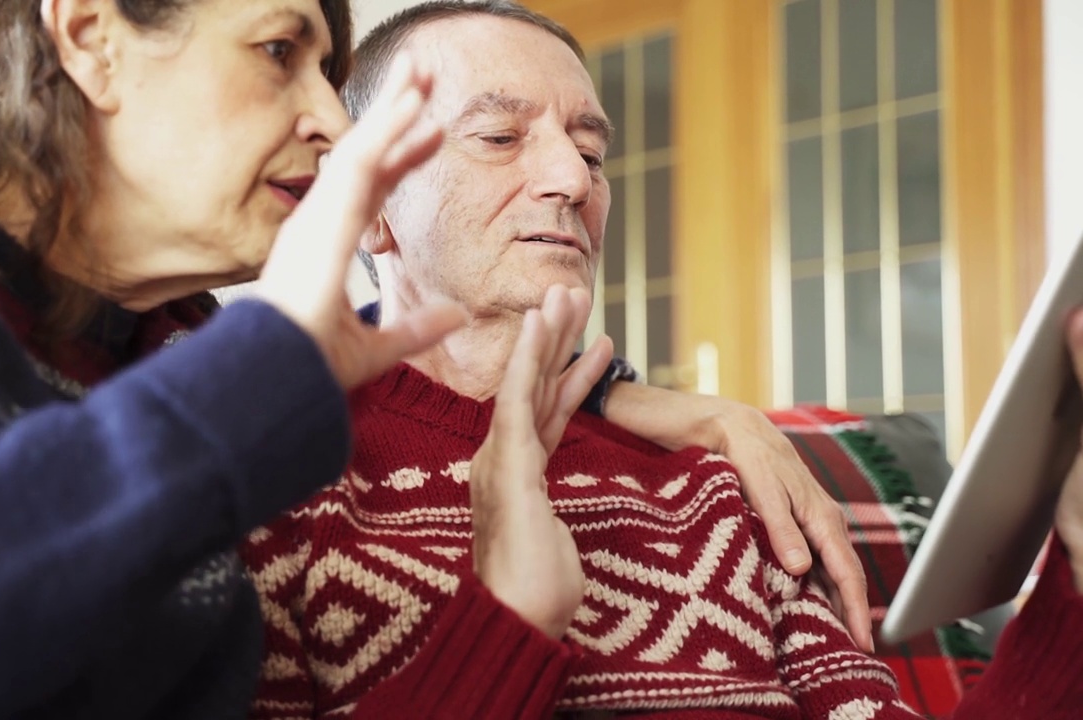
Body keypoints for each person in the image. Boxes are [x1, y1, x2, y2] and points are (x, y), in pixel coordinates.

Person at [0, 0, 865, 718]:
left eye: (593, 152)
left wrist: (651, 404)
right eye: (279, 51)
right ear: (91, 34)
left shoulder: (168, 356)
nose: (326, 118)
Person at [241, 2, 1083, 718]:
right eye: (500, 137)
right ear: (372, 207)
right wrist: (505, 624)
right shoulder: (273, 482)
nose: (573, 178)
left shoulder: (710, 483)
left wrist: (1077, 578)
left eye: (592, 150)